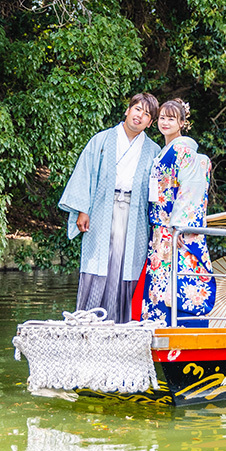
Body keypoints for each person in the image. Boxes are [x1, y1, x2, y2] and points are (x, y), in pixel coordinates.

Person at [58, 93, 161, 323]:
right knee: (98, 260)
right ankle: (88, 320)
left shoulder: (153, 151)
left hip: (135, 215)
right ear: (127, 110)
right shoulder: (102, 140)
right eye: (137, 110)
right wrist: (83, 209)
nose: (139, 116)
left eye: (146, 115)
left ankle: (124, 322)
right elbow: (86, 173)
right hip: (101, 210)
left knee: (128, 265)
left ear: (150, 123)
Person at [141, 98, 215, 326]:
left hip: (176, 230)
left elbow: (191, 189)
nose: (165, 122)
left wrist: (181, 226)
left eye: (171, 118)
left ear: (182, 122)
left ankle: (178, 329)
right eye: (162, 117)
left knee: (179, 281)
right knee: (161, 281)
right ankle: (158, 328)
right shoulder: (165, 151)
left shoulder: (183, 150)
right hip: (161, 230)